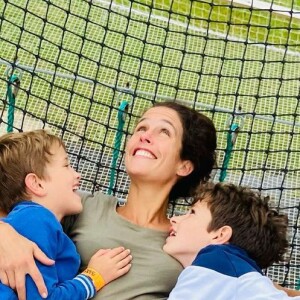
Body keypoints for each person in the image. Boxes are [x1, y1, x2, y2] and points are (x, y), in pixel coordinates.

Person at [0, 102, 298, 299]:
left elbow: (242, 282)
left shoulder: (188, 240)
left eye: (163, 132)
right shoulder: (82, 206)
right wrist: (4, 235)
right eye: (141, 128)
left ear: (185, 165)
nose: (145, 135)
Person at [0, 130, 132, 299]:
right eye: (66, 165)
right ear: (37, 184)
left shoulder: (32, 221)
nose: (77, 175)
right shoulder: (35, 219)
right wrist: (93, 278)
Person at [164, 181, 299, 299]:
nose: (174, 219)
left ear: (220, 235)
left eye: (192, 212)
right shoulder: (238, 275)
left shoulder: (215, 260)